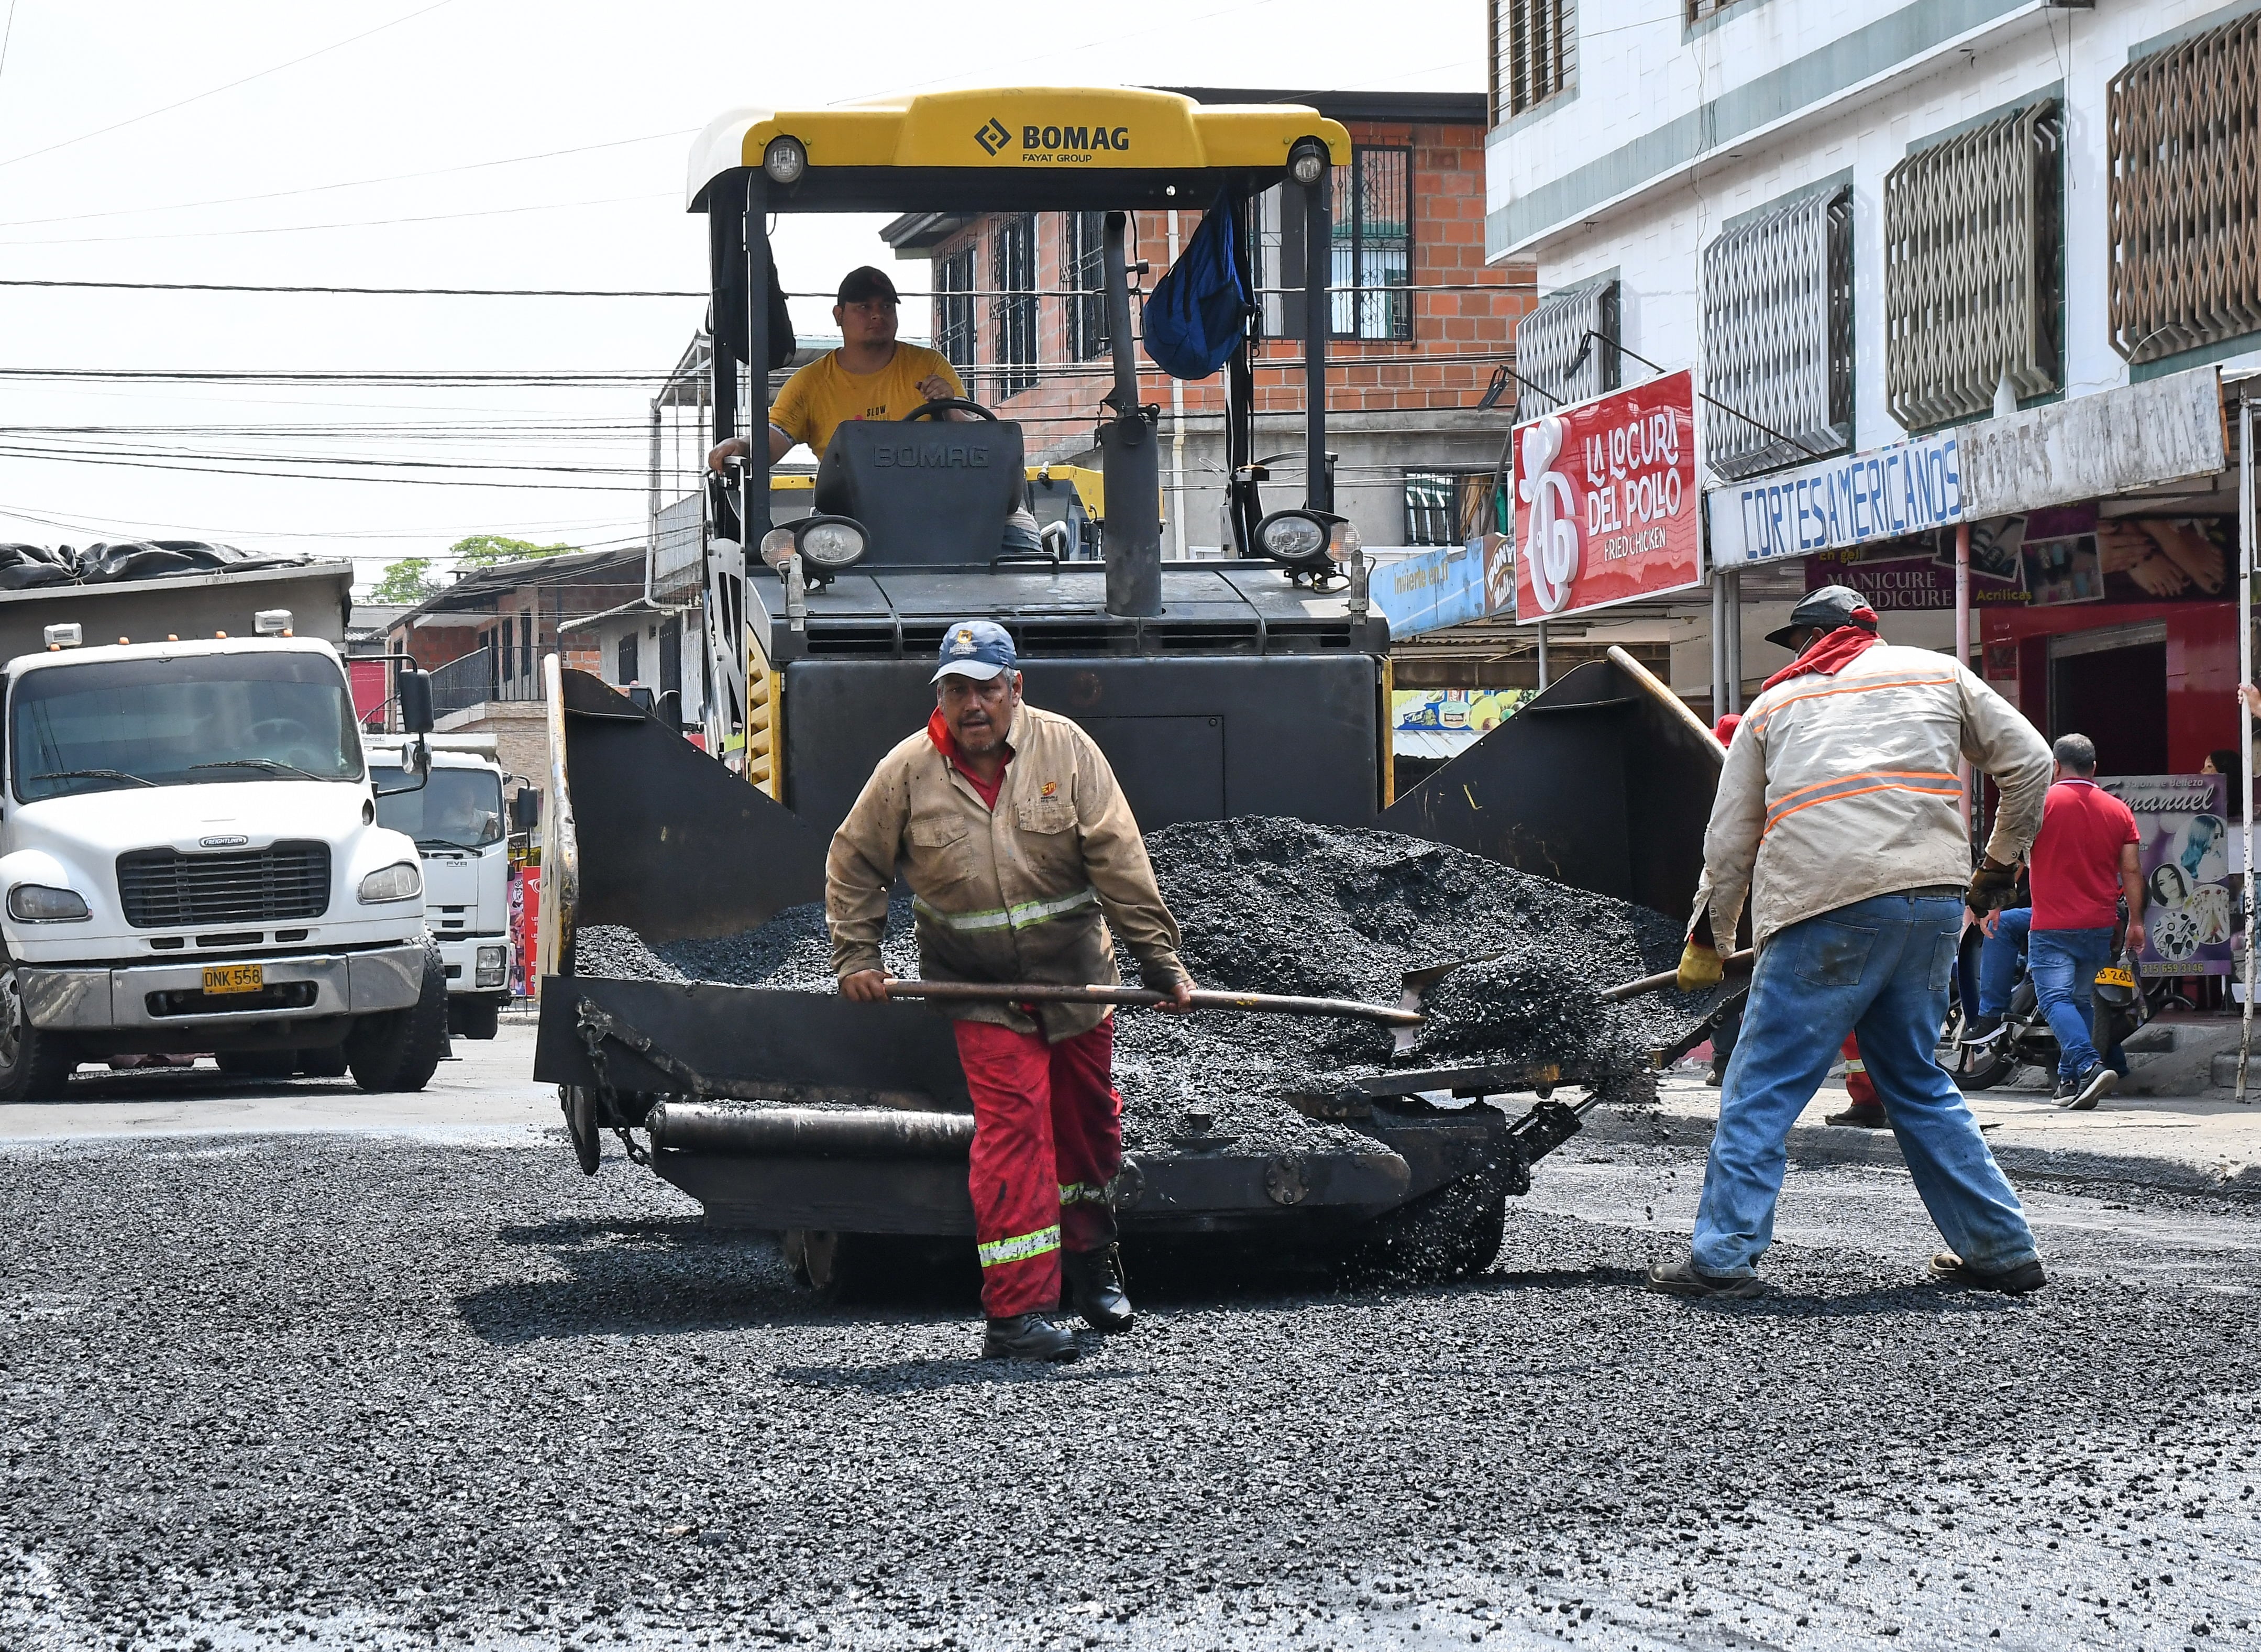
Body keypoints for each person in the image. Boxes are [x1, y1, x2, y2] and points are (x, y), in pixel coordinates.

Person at [1650, 585, 2055, 1301]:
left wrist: (1708, 937)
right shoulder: (1936, 672)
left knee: (1760, 1086)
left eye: (1798, 643)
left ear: (1811, 638)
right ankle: (2002, 1250)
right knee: (1917, 1080)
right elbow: (2031, 762)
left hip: (1822, 905)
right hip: (1930, 901)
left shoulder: (1773, 707)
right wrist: (1996, 866)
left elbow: (1731, 837)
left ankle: (1721, 1258)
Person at [826, 620, 1195, 1362]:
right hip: (979, 986)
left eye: (987, 689)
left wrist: (1160, 963)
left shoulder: (1067, 750)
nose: (972, 705)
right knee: (1014, 1133)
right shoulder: (906, 772)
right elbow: (854, 859)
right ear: (941, 693)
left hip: (1078, 981)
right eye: (956, 689)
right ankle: (1018, 1312)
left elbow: (1120, 859)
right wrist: (857, 954)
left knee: (1088, 1125)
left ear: (1014, 688)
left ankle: (1092, 1266)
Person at [707, 266, 1041, 554]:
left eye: (885, 306)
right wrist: (742, 447)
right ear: (839, 316)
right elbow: (773, 441)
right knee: (815, 555)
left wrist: (950, 409)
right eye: (863, 307)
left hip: (948, 507)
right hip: (853, 514)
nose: (877, 314)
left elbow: (978, 444)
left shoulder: (929, 364)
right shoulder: (810, 383)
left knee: (1020, 543)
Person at [2015, 733, 2144, 1110]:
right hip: (2099, 924)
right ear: (2094, 768)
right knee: (2079, 1000)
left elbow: (2012, 858)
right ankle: (2069, 1082)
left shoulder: (2040, 805)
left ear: (2054, 766)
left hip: (2051, 925)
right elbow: (2132, 871)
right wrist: (2135, 921)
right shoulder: (2118, 810)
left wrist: (1989, 902)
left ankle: (2088, 1067)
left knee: (2054, 999)